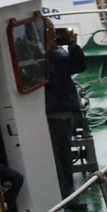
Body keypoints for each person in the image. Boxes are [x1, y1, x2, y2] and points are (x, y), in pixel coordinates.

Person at [44, 26, 85, 201]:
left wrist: (73, 46)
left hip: (62, 109)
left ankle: (68, 194)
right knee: (57, 157)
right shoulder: (44, 54)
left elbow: (78, 67)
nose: (55, 35)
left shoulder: (58, 52)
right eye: (50, 31)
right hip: (52, 110)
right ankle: (62, 195)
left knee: (64, 154)